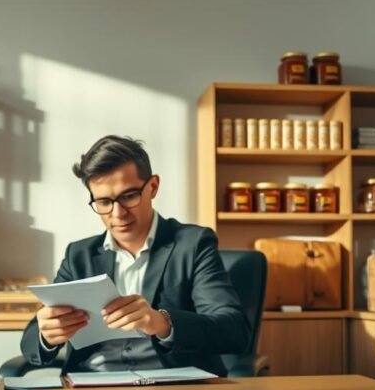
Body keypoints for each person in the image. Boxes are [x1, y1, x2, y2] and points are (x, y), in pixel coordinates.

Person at [20, 135, 251, 377]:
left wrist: (161, 322)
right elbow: (30, 345)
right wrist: (47, 336)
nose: (117, 214)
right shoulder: (79, 255)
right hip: (93, 387)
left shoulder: (192, 244)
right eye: (104, 201)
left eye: (129, 196)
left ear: (152, 187)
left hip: (174, 389)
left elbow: (234, 331)